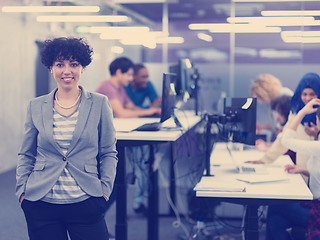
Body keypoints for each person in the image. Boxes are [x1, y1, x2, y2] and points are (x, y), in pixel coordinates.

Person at [16, 37, 118, 240]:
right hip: (42, 202)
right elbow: (27, 153)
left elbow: (108, 152)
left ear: (82, 68)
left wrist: (104, 190)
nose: (67, 71)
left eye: (74, 64)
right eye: (59, 64)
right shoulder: (36, 106)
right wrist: (22, 191)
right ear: (51, 68)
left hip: (86, 200)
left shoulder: (99, 103)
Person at [247, 72, 320, 183]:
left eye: (312, 94)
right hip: (304, 169)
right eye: (304, 94)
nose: (308, 98)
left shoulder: (313, 113)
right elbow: (284, 138)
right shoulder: (295, 110)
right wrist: (265, 160)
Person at [265, 97, 320, 240]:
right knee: (275, 222)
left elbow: (286, 140)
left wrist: (301, 112)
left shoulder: (318, 147)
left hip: (317, 211)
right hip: (314, 205)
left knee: (274, 206)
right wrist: (302, 170)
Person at [96, 57, 161, 118]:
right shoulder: (107, 87)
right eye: (129, 75)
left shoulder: (120, 88)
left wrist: (152, 111)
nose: (131, 78)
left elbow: (132, 107)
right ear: (119, 72)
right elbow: (120, 114)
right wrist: (147, 112)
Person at [250, 73, 293, 140]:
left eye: (261, 98)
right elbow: (275, 124)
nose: (261, 102)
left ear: (265, 92)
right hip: (278, 136)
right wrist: (261, 127)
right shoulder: (271, 101)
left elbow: (286, 123)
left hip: (286, 137)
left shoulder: (285, 96)